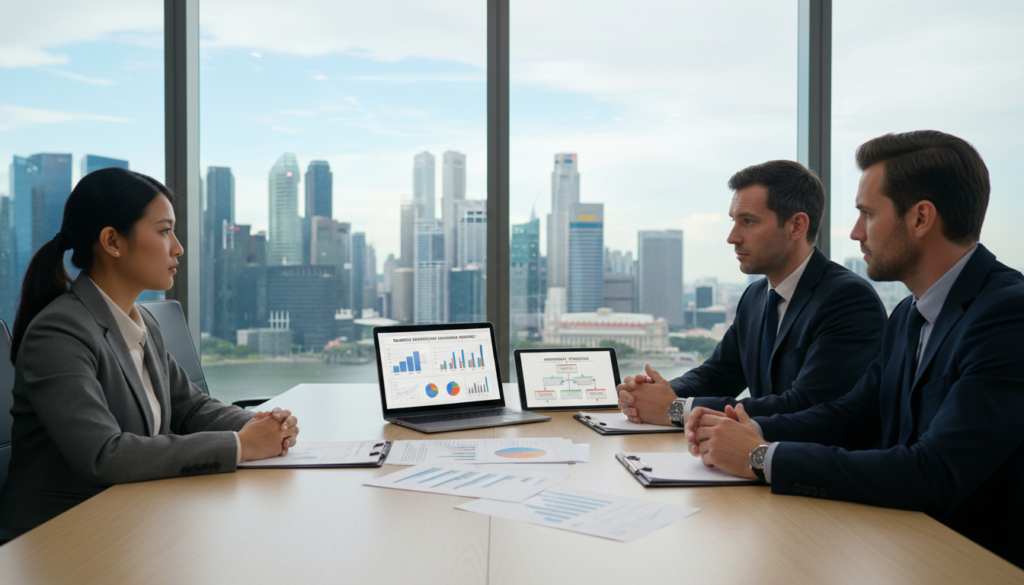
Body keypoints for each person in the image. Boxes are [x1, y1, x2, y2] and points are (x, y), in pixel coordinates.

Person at [687, 130, 1024, 568]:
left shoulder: (1008, 315)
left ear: (920, 218)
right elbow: (850, 416)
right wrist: (743, 429)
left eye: (867, 213)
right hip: (900, 545)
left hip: (972, 563)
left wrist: (760, 457)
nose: (854, 232)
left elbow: (935, 471)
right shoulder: (908, 314)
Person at [0, 168, 299, 531]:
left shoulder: (142, 321)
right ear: (112, 241)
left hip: (137, 515)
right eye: (164, 231)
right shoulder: (58, 333)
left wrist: (262, 425)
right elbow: (104, 455)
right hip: (64, 533)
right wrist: (240, 445)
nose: (178, 247)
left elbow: (191, 407)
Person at [617, 160, 886, 427]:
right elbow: (717, 376)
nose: (732, 237)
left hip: (808, 463)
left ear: (796, 226)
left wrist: (676, 408)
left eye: (748, 221)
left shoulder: (847, 299)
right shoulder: (756, 295)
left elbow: (805, 404)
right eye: (734, 221)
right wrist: (652, 393)